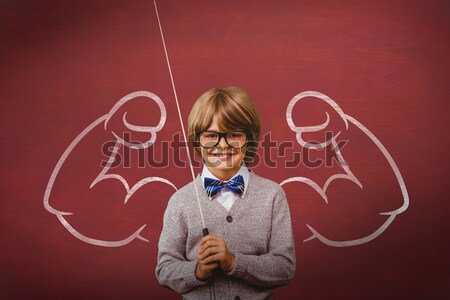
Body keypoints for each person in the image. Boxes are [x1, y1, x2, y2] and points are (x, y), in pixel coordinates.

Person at [156, 87, 296, 299]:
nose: (223, 144)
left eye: (234, 135)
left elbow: (284, 267)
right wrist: (197, 271)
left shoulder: (272, 195)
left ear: (249, 139)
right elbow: (164, 269)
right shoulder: (180, 201)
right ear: (198, 140)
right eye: (211, 135)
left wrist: (233, 262)